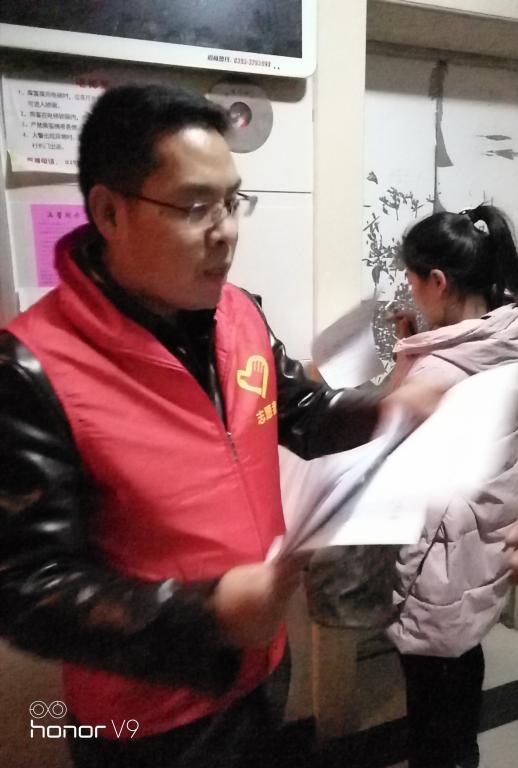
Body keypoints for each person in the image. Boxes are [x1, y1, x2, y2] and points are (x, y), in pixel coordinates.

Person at [0, 83, 435, 768]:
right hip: (147, 720)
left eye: (233, 201)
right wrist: (206, 615)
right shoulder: (31, 368)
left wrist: (388, 409)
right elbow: (27, 586)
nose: (226, 230)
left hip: (263, 669)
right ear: (109, 212)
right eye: (196, 206)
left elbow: (299, 412)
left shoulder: (239, 312)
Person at [385, 204, 518, 768]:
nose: (411, 291)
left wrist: (407, 361)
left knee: (433, 730)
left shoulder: (435, 373)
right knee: (463, 685)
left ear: (438, 282)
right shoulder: (507, 339)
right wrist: (418, 344)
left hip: (436, 575)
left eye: (413, 280)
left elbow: (386, 453)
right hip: (484, 559)